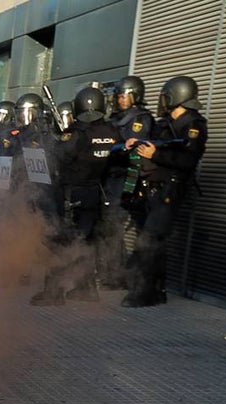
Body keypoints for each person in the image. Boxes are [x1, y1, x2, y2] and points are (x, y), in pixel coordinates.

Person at [120, 75, 208, 307]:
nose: (163, 102)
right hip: (153, 189)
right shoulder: (164, 123)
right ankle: (158, 291)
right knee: (155, 241)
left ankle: (144, 293)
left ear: (178, 96)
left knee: (149, 238)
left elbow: (188, 160)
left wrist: (155, 155)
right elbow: (151, 144)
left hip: (172, 189)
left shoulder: (193, 125)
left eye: (167, 97)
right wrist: (135, 144)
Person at [30, 87, 117, 306]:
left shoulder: (77, 132)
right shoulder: (111, 131)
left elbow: (59, 157)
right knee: (86, 242)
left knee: (59, 241)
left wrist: (52, 140)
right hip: (95, 193)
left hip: (72, 194)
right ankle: (86, 289)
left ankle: (53, 292)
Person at [100, 75, 155, 289]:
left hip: (128, 177)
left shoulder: (141, 118)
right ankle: (112, 272)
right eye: (119, 95)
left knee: (114, 225)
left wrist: (121, 146)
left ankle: (119, 276)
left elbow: (134, 148)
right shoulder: (114, 118)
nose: (121, 99)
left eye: (125, 95)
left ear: (135, 96)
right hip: (110, 176)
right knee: (108, 226)